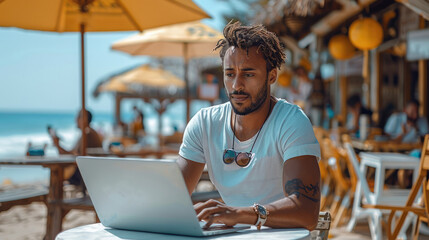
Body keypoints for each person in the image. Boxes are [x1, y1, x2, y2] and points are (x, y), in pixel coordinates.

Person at [177, 21, 321, 230]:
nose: (236, 85)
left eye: (248, 74)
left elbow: (306, 211)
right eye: (229, 74)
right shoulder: (205, 123)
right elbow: (172, 198)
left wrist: (240, 214)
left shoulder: (291, 121)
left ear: (271, 76)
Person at [50, 109, 102, 186]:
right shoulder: (88, 132)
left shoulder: (88, 134)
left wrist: (57, 145)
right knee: (57, 170)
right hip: (89, 173)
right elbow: (72, 153)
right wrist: (58, 145)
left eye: (78, 117)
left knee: (56, 171)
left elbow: (75, 155)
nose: (76, 119)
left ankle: (55, 196)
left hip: (85, 175)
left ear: (84, 119)